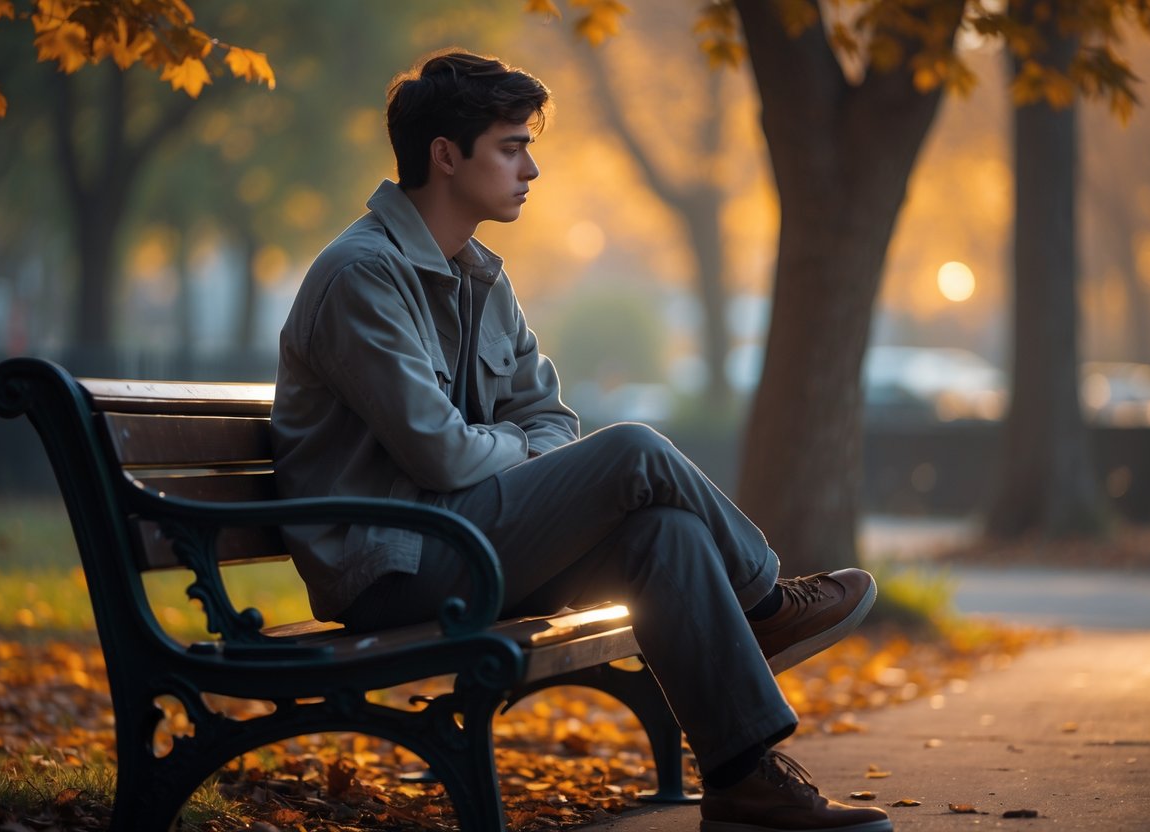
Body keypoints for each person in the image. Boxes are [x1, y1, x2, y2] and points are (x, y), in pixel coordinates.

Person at [271, 48, 892, 832]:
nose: (530, 168)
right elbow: (441, 454)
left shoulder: (481, 278)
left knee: (661, 535)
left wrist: (503, 444)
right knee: (633, 450)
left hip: (467, 538)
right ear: (445, 156)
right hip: (393, 565)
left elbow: (552, 420)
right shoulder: (362, 276)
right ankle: (764, 603)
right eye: (511, 146)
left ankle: (743, 782)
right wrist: (513, 446)